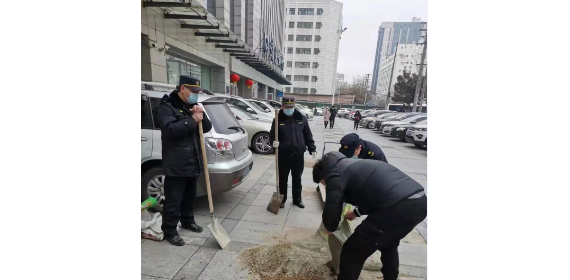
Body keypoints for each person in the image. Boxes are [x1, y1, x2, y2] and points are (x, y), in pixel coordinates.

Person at [312, 152, 426, 280]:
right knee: (389, 243)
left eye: (324, 183)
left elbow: (333, 205)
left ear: (323, 176)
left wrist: (330, 226)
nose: (326, 186)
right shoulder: (352, 164)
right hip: (419, 202)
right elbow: (372, 195)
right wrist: (356, 213)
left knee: (352, 251)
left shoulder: (335, 173)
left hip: (397, 206)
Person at [157, 75, 213, 246]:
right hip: (176, 162)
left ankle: (188, 221)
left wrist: (201, 115)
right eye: (193, 91)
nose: (196, 94)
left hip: (193, 160)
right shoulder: (167, 107)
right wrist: (192, 120)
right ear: (183, 89)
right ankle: (170, 230)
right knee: (174, 199)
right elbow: (169, 130)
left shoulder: (191, 106)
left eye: (197, 91)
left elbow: (207, 127)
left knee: (190, 196)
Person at [270, 96, 317, 208]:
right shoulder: (277, 119)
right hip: (283, 155)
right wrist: (274, 143)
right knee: (283, 179)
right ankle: (282, 199)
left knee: (297, 178)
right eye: (287, 107)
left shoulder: (302, 119)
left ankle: (297, 199)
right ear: (282, 106)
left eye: (291, 107)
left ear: (294, 106)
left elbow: (307, 135)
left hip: (298, 155)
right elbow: (272, 135)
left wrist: (312, 148)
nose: (289, 109)